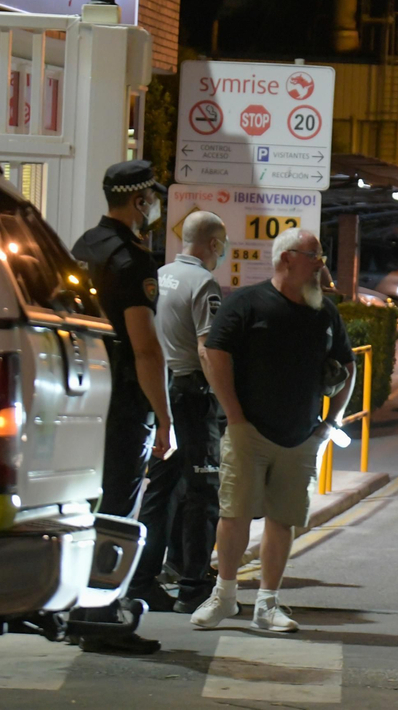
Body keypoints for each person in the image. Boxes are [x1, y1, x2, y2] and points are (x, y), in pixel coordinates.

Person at [192, 228, 354, 633]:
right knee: (234, 514)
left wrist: (330, 423)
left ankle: (268, 604)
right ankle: (224, 597)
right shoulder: (247, 303)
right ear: (286, 259)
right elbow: (214, 352)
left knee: (283, 519)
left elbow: (348, 367)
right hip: (249, 431)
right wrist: (234, 415)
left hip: (301, 436)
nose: (321, 265)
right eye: (314, 257)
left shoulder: (324, 311)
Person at [69, 159, 171, 654]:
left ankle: (75, 606)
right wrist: (165, 418)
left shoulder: (84, 246)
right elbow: (145, 348)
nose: (154, 207)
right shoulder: (132, 260)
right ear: (139, 200)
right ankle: (102, 613)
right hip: (124, 399)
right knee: (118, 509)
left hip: (80, 391)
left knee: (82, 504)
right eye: (152, 198)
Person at [130, 211, 227, 613]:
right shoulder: (203, 283)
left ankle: (142, 579)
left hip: (162, 391)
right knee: (202, 491)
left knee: (161, 488)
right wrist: (225, 397)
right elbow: (206, 348)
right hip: (192, 393)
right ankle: (193, 585)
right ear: (214, 244)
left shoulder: (160, 276)